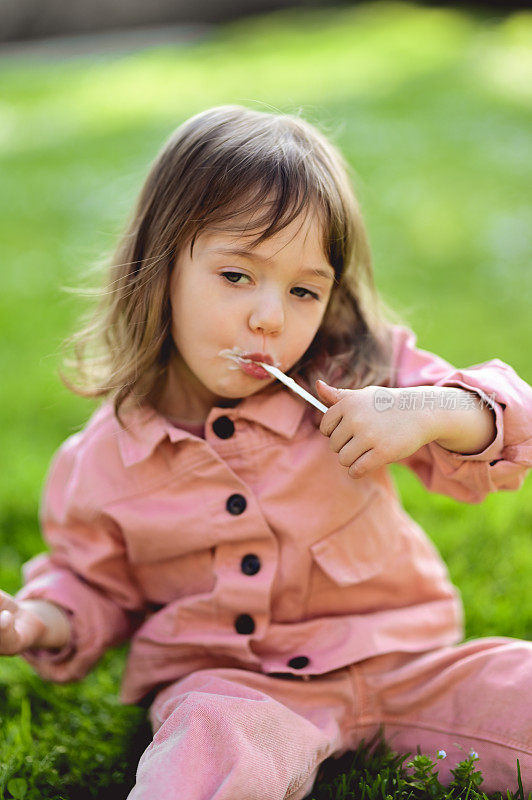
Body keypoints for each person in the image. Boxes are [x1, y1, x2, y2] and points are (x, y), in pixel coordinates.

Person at [0, 105, 531, 800]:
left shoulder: (354, 377)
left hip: (406, 662)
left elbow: (510, 414)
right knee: (212, 740)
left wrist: (431, 409)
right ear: (158, 269)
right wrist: (40, 618)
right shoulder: (104, 460)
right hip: (239, 690)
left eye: (304, 290)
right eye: (237, 276)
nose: (270, 318)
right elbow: (93, 583)